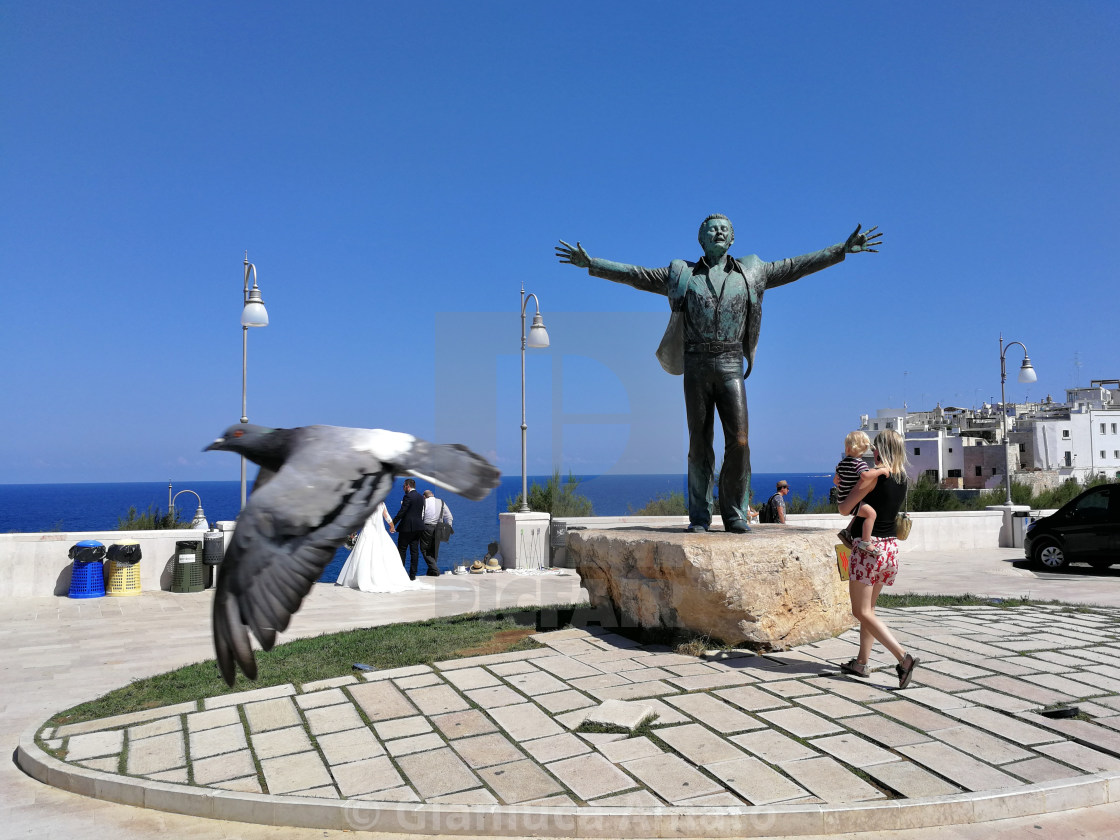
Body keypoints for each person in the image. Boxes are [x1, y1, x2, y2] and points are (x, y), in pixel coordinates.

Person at [557, 216, 880, 534]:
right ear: (701, 238)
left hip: (729, 363)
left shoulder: (752, 272)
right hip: (696, 363)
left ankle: (735, 514)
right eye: (712, 228)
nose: (719, 232)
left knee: (739, 442)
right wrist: (593, 263)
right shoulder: (682, 274)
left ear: (732, 239)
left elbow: (796, 266)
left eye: (725, 228)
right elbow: (636, 275)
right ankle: (699, 516)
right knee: (699, 444)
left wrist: (842, 249)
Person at [836, 429, 919, 689]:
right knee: (869, 611)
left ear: (878, 450)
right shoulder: (902, 478)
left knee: (859, 611)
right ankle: (861, 662)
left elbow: (843, 508)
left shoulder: (872, 478)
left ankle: (903, 658)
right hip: (889, 549)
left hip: (867, 550)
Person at [336, 503, 419, 592]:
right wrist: (392, 526)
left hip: (367, 532)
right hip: (380, 533)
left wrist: (353, 532)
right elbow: (387, 516)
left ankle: (361, 578)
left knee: (362, 554)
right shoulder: (381, 503)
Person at [834, 430, 889, 555]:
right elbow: (865, 475)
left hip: (842, 499)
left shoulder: (841, 463)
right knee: (871, 514)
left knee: (861, 512)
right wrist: (881, 471)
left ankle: (847, 531)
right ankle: (866, 542)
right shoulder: (858, 463)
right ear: (864, 448)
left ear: (847, 447)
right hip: (850, 501)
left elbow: (835, 480)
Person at [392, 478, 427, 580]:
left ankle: (401, 575)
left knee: (402, 550)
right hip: (418, 527)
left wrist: (392, 524)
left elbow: (402, 512)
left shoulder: (408, 496)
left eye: (403, 486)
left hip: (407, 528)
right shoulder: (421, 497)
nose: (403, 488)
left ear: (407, 486)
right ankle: (412, 575)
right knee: (414, 551)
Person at [418, 490, 453, 576]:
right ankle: (431, 572)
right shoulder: (441, 502)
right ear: (432, 495)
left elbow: (420, 516)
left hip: (427, 528)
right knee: (434, 551)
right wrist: (448, 528)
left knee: (424, 550)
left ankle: (435, 570)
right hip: (439, 528)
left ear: (424, 496)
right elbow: (449, 517)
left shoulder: (423, 502)